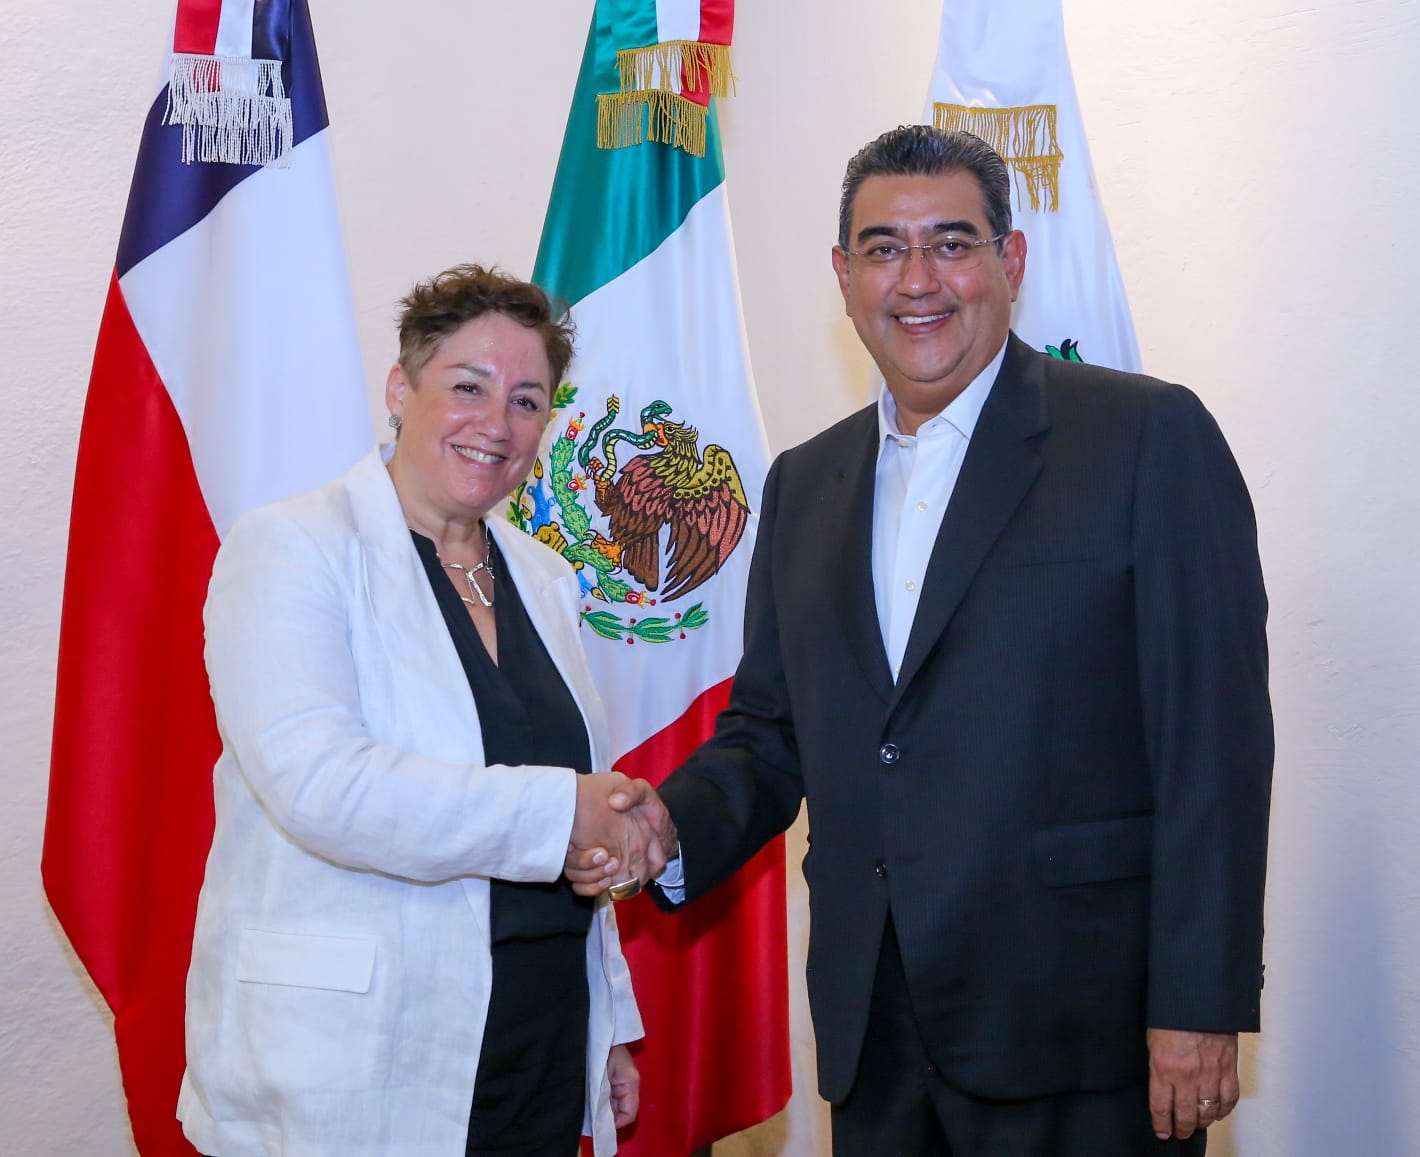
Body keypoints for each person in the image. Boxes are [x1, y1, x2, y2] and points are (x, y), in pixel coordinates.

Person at [570, 126, 1273, 1155]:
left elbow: (1211, 742)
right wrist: (666, 826)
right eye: (884, 249)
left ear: (1010, 260)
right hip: (877, 1039)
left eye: (951, 243)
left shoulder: (1142, 439)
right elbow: (770, 732)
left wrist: (1199, 1002)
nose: (917, 280)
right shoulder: (803, 483)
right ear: (844, 275)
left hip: (1082, 1031)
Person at [177, 263, 663, 1156]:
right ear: (401, 388)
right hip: (354, 1062)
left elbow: (580, 836)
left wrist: (608, 1022)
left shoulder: (547, 578)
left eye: (526, 400)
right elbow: (322, 788)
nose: (497, 423)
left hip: (539, 1046)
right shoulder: (291, 548)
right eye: (468, 386)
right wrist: (565, 812)